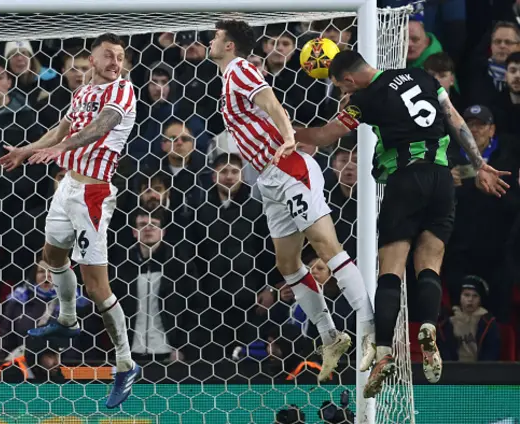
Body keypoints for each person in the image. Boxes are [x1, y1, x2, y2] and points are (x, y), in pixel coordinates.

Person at [294, 49, 510, 397]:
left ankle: (382, 351)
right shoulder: (421, 75)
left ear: (348, 80)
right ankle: (427, 325)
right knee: (430, 266)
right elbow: (454, 117)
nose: (343, 94)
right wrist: (479, 163)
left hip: (405, 180)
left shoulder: (365, 99)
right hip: (441, 180)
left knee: (391, 270)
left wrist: (282, 131)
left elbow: (323, 137)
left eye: (340, 87)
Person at [208, 20, 377, 383]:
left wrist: (287, 137)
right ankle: (330, 335)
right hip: (270, 181)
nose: (211, 40)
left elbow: (270, 101)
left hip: (289, 169)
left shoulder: (239, 69)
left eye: (216, 36)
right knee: (287, 264)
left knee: (325, 245)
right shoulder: (228, 76)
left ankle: (369, 331)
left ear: (230, 46)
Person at [0, 33, 140, 409]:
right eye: (108, 55)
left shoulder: (122, 92)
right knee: (52, 257)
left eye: (120, 56)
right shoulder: (82, 91)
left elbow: (101, 126)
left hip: (93, 194)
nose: (115, 61)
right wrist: (28, 149)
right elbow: (65, 126)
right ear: (90, 60)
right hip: (67, 188)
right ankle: (67, 318)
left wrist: (62, 148)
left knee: (97, 286)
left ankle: (125, 363)